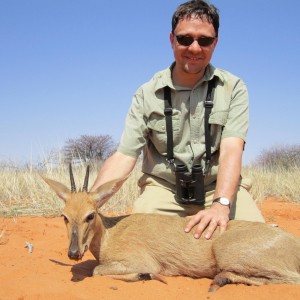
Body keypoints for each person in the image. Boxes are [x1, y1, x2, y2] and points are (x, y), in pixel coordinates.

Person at [91, 0, 265, 239]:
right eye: (185, 39)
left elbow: (231, 149)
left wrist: (221, 205)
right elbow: (125, 155)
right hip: (165, 190)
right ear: (172, 39)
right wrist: (88, 204)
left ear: (215, 43)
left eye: (204, 40)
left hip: (217, 188)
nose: (194, 48)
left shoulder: (234, 87)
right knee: (141, 241)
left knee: (257, 241)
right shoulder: (146, 93)